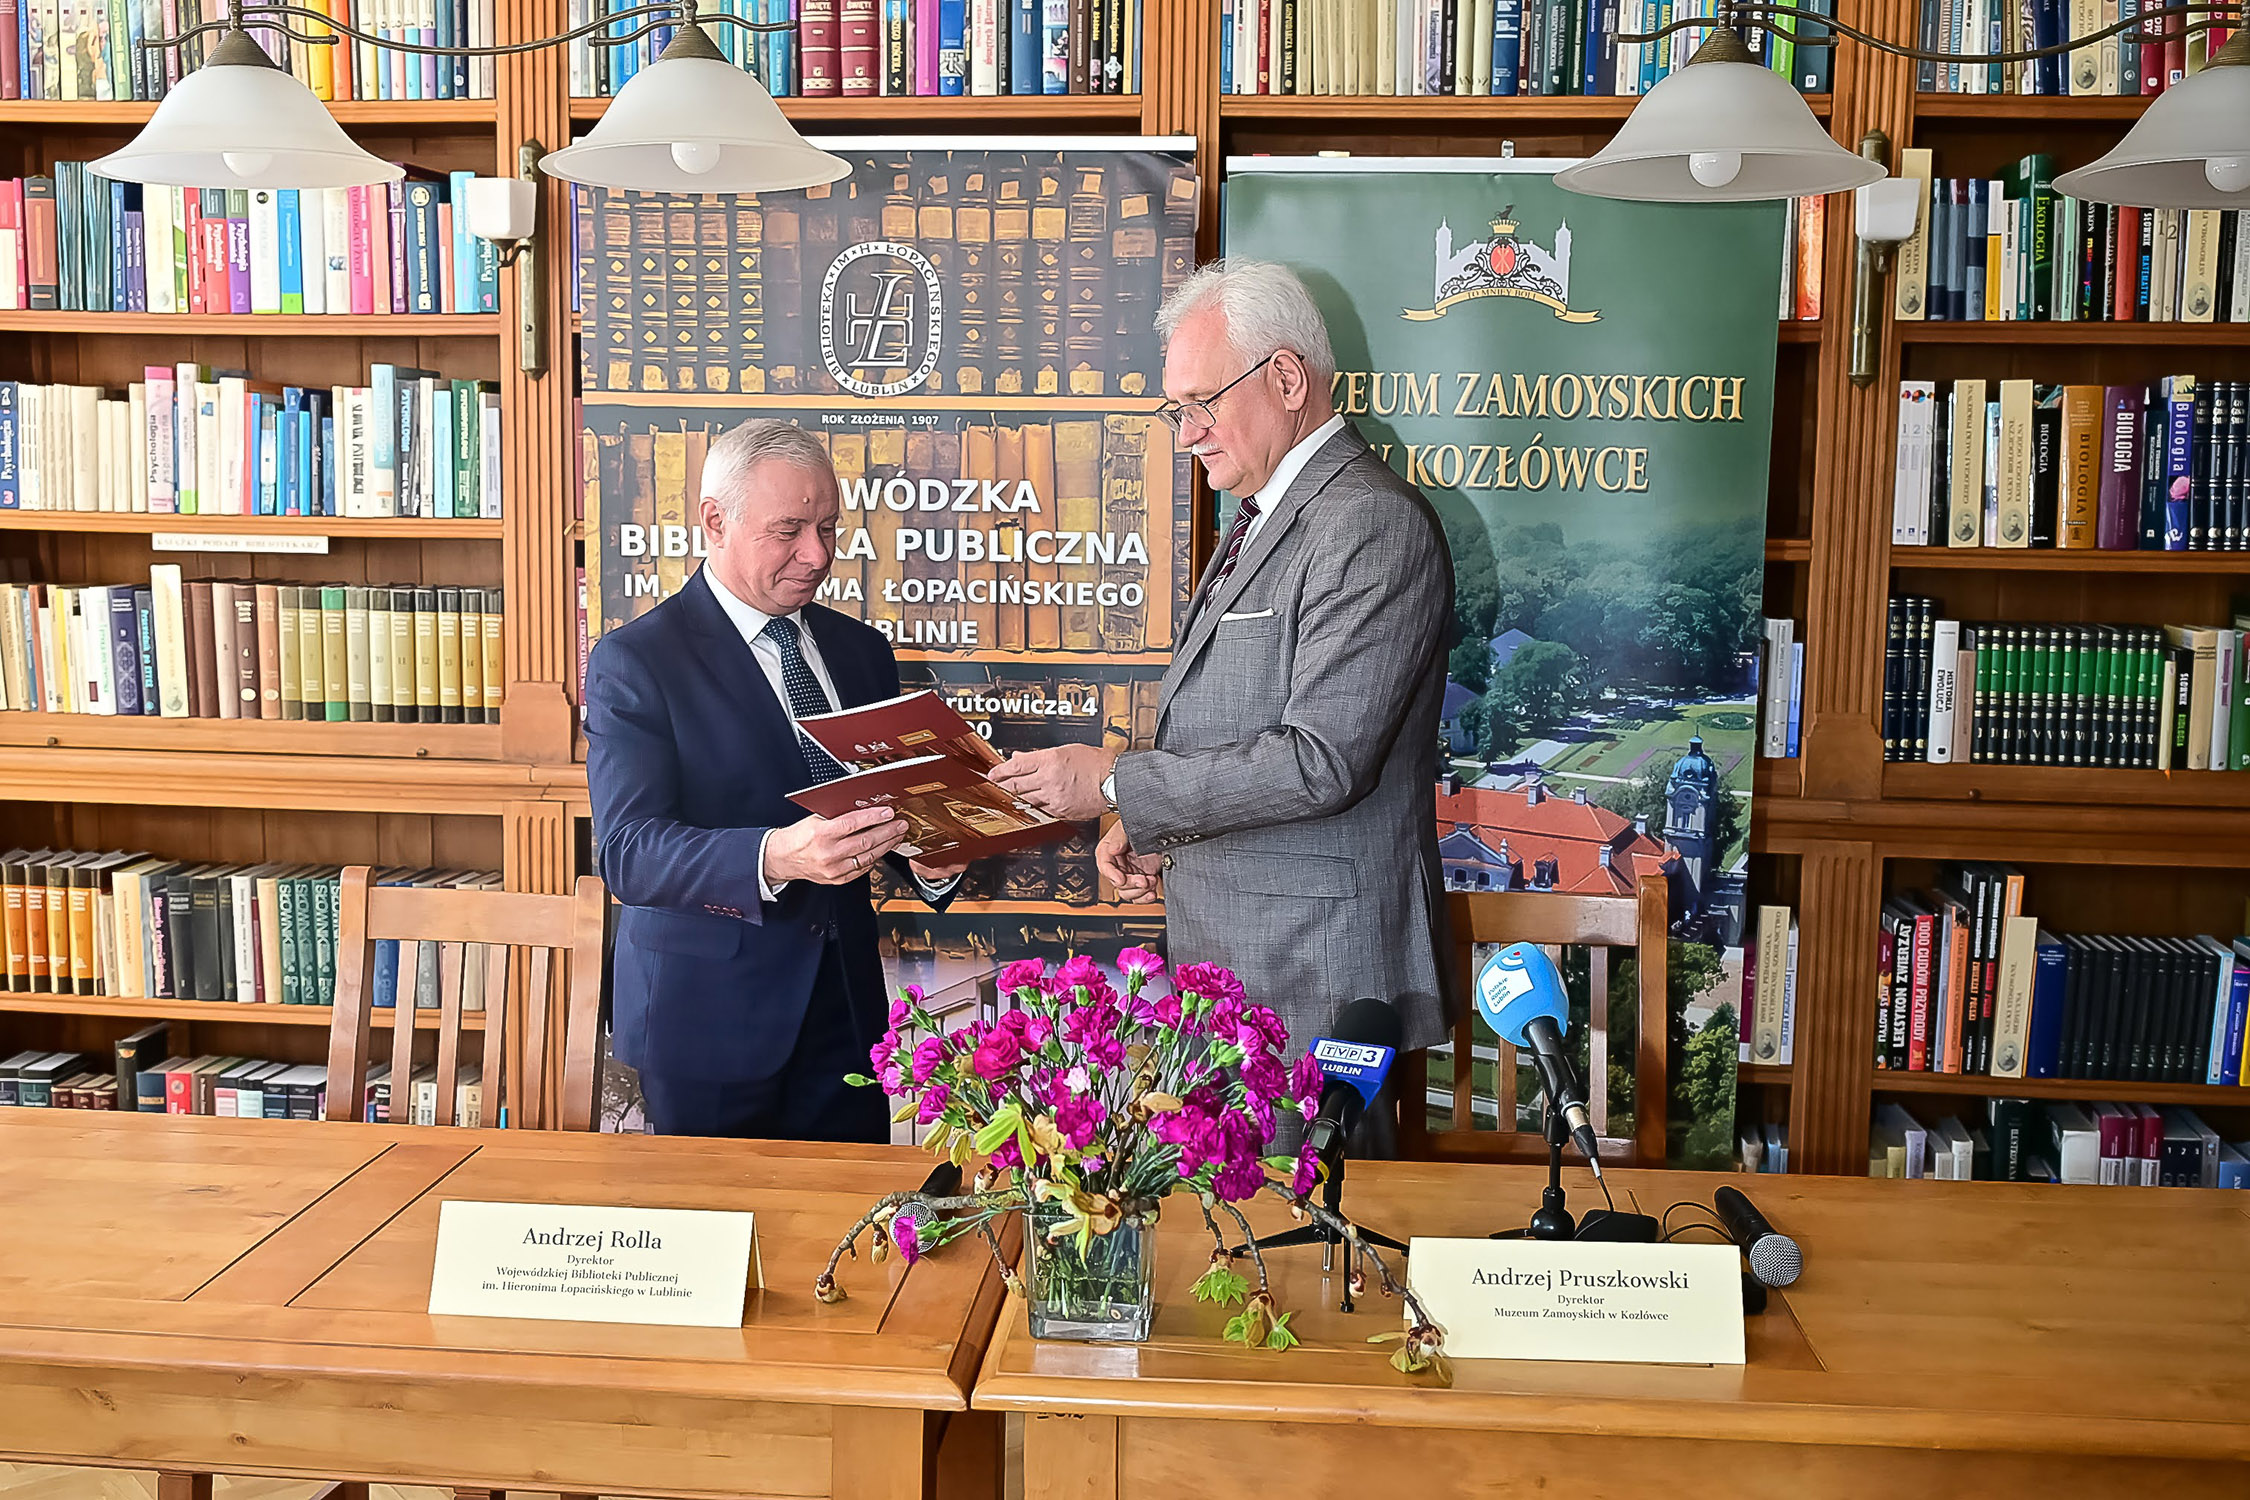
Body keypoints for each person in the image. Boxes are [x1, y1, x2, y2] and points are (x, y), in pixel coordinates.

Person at [991, 258, 1456, 1124]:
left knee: (1310, 1244)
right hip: (1246, 962)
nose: (1185, 434)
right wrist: (1168, 830)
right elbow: (1243, 722)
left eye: (1199, 403)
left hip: (1317, 978)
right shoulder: (1271, 511)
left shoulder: (1369, 523)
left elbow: (1322, 761)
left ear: (1286, 377)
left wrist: (1117, 782)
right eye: (1176, 410)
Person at [585, 419, 964, 1141]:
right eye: (789, 529)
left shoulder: (861, 652)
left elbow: (873, 808)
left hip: (846, 1016)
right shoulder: (636, 661)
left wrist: (931, 859)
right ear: (715, 521)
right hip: (708, 1025)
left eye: (828, 527)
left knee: (846, 1241)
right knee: (716, 1245)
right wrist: (778, 856)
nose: (817, 555)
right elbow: (629, 852)